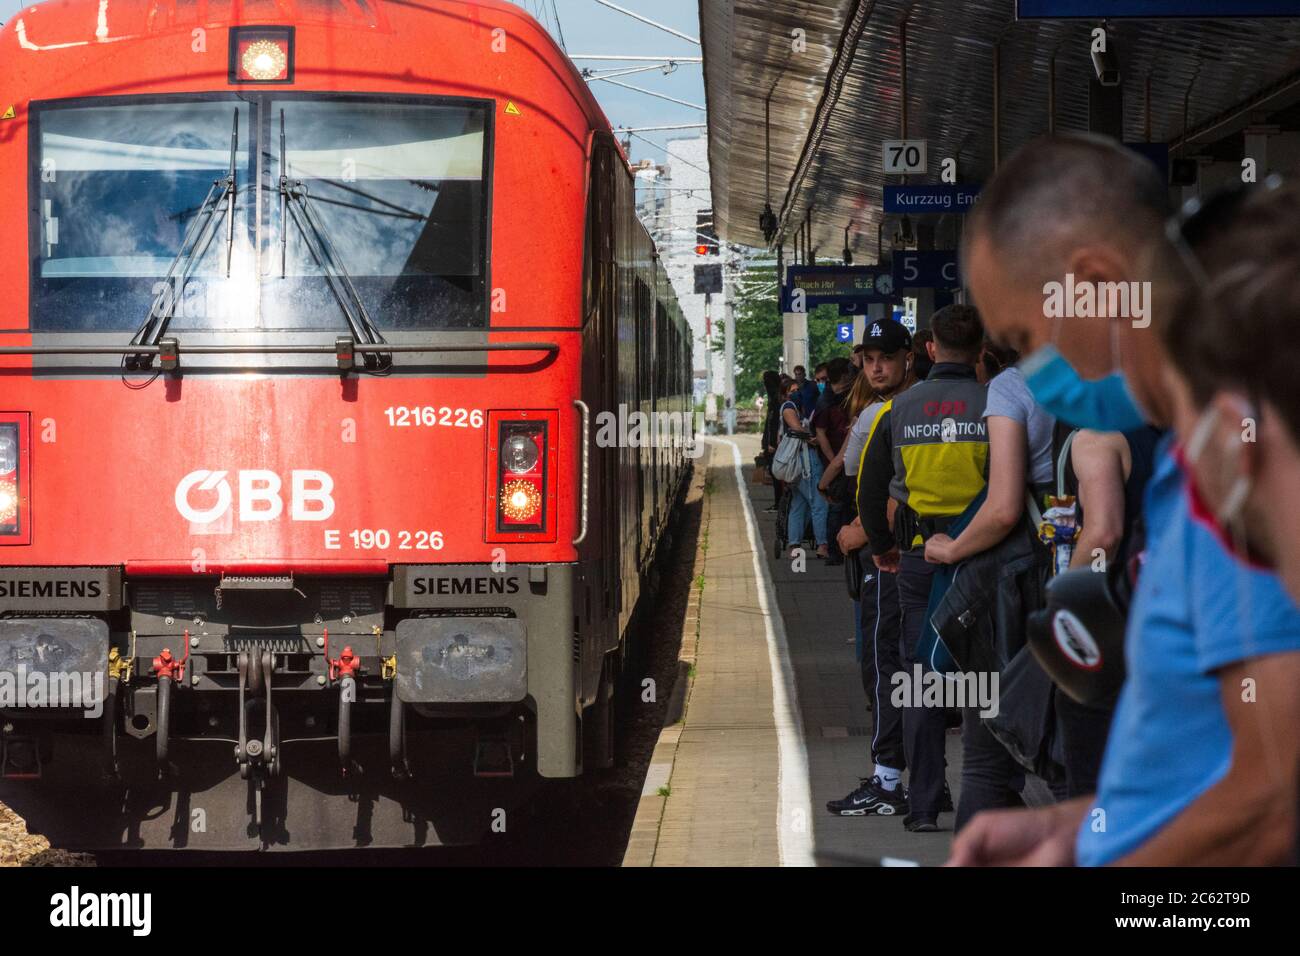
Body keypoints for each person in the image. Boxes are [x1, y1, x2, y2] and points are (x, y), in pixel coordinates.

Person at [948, 134, 1300, 866]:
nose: (1031, 370)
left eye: (1024, 337)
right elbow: (1200, 765)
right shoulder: (1182, 467)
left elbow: (1274, 796)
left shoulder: (1240, 459)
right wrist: (1073, 831)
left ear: (1099, 283)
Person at [858, 304, 990, 832]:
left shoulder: (899, 410)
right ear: (981, 351)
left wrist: (884, 545)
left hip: (918, 561)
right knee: (986, 675)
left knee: (922, 678)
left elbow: (870, 491)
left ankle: (923, 804)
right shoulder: (995, 404)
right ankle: (988, 797)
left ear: (930, 350)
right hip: (986, 558)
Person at [923, 350, 1057, 830]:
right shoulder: (1116, 382)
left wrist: (952, 549)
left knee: (985, 757)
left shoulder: (1012, 387)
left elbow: (1003, 509)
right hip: (1096, 587)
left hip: (1016, 588)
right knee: (1075, 756)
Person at [827, 318, 915, 816]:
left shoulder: (886, 415)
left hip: (887, 560)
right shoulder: (911, 408)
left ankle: (886, 782)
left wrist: (860, 533)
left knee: (883, 665)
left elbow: (885, 496)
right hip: (930, 560)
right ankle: (925, 779)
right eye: (870, 358)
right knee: (917, 668)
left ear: (911, 357)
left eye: (887, 357)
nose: (876, 367)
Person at [1051, 424, 1161, 798]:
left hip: (1112, 625)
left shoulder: (1098, 438)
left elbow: (1103, 535)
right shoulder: (1191, 426)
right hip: (1178, 619)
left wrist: (1063, 602)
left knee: (1096, 784)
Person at [812, 358, 857, 565]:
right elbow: (820, 433)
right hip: (836, 460)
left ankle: (842, 548)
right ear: (845, 376)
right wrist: (833, 461)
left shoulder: (844, 396)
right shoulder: (826, 401)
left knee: (845, 504)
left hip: (845, 457)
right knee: (836, 505)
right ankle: (834, 551)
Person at [779, 378, 828, 559]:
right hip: (805, 461)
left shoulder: (798, 407)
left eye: (797, 389)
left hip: (797, 464)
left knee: (799, 504)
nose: (795, 393)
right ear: (785, 394)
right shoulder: (789, 407)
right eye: (791, 390)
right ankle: (822, 544)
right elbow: (797, 429)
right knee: (818, 502)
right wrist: (812, 439)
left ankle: (794, 545)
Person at [760, 369, 784, 513]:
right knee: (775, 476)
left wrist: (770, 443)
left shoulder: (776, 400)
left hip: (773, 446)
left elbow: (773, 424)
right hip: (771, 443)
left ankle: (779, 503)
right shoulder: (774, 398)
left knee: (777, 477)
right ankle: (778, 503)